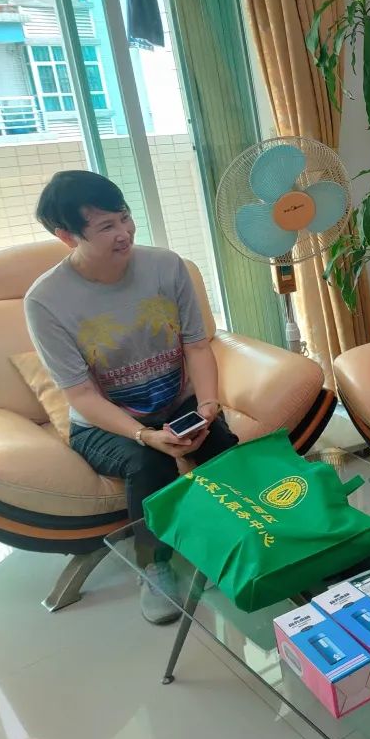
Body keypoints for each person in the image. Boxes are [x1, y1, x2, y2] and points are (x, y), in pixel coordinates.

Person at [25, 171, 238, 625]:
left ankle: (244, 536)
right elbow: (81, 394)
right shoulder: (45, 301)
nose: (124, 233)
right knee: (149, 462)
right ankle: (154, 565)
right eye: (106, 226)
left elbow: (198, 347)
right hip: (103, 422)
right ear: (67, 236)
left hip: (176, 401)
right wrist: (144, 435)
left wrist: (207, 406)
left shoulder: (166, 266)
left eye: (124, 217)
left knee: (221, 445)